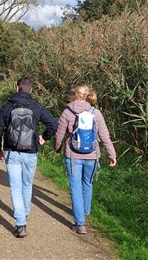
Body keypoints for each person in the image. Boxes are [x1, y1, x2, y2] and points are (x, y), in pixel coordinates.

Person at [0, 77, 57, 238]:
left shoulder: (7, 106)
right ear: (31, 90)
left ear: (17, 88)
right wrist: (44, 137)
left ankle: (20, 224)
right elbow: (53, 124)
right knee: (27, 184)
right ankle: (24, 213)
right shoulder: (36, 106)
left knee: (15, 186)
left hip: (11, 151)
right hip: (31, 151)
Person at [53, 84, 117, 235]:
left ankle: (80, 223)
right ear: (87, 95)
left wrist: (57, 147)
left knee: (75, 187)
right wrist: (112, 155)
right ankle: (85, 212)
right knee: (87, 184)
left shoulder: (67, 112)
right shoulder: (96, 112)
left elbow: (59, 134)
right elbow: (104, 136)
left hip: (73, 155)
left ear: (74, 94)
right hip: (92, 155)